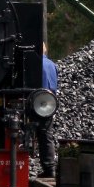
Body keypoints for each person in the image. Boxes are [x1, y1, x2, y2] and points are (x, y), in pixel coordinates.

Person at [37, 47, 58, 178]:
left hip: (37, 101)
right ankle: (50, 167)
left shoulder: (35, 63)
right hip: (50, 102)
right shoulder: (52, 64)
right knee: (46, 136)